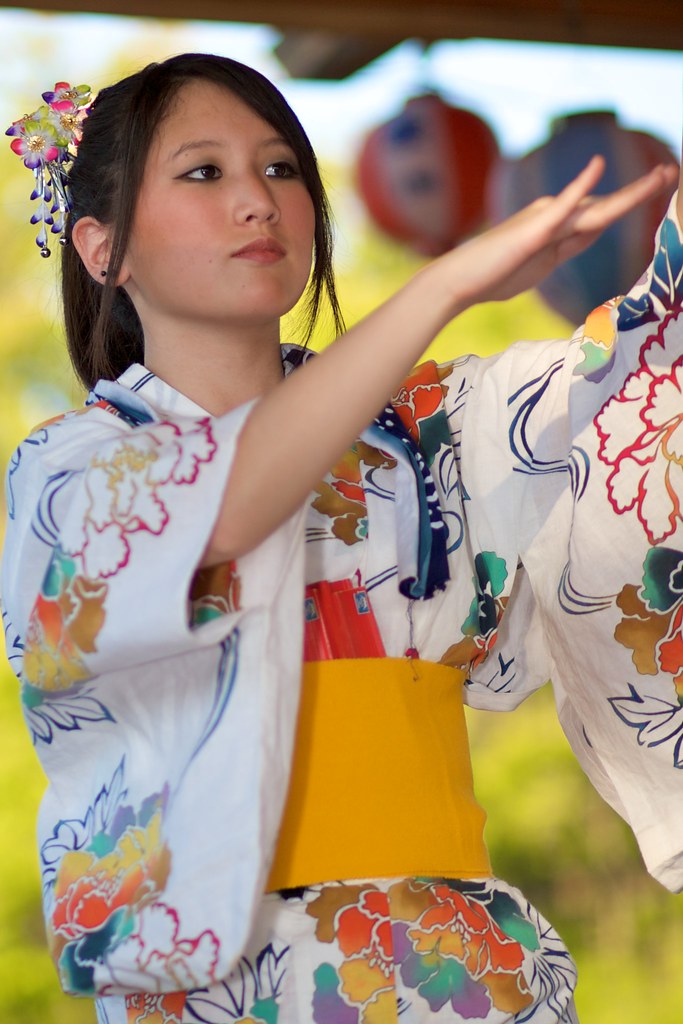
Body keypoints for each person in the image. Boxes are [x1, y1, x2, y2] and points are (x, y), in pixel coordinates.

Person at [1, 53, 680, 1024]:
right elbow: (225, 509)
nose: (257, 202)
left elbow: (627, 373)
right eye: (204, 173)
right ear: (103, 248)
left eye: (280, 169)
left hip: (459, 968)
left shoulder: (425, 428)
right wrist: (438, 290)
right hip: (219, 987)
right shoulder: (70, 469)